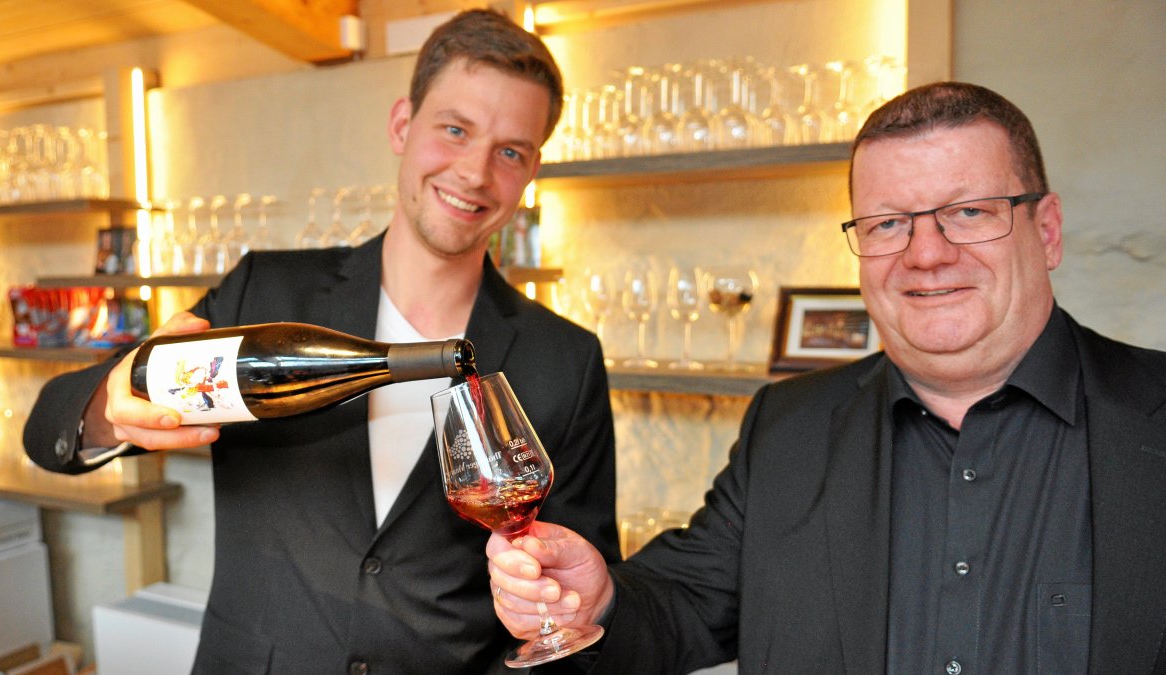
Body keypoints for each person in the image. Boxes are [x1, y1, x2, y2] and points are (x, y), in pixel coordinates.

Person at [486, 81, 1166, 674]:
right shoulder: (788, 426)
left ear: (1046, 231)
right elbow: (685, 606)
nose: (926, 254)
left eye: (969, 212)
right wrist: (599, 598)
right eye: (888, 223)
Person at [23, 9, 620, 674]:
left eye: (510, 151)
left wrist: (555, 611)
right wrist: (112, 404)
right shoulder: (264, 295)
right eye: (455, 129)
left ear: (533, 169)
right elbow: (48, 430)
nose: (476, 172)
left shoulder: (566, 359)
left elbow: (583, 590)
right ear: (402, 125)